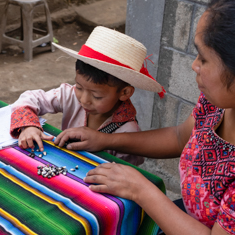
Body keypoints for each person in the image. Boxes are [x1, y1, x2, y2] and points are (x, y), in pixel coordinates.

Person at [55, 0, 235, 235]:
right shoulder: (224, 102)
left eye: (202, 58)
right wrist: (106, 139)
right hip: (196, 221)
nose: (194, 66)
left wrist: (142, 190)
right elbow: (181, 137)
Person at [10, 26, 165, 166]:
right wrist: (28, 125)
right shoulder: (69, 95)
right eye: (79, 87)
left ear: (125, 93)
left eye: (96, 96)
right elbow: (29, 98)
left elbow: (127, 172)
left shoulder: (128, 133)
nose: (84, 100)